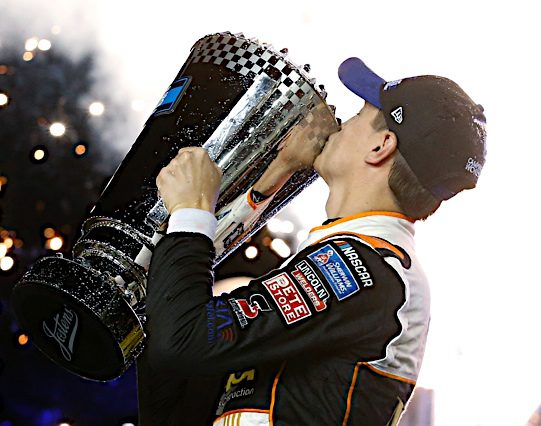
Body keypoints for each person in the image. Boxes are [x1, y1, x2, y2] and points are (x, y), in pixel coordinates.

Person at [136, 57, 487, 425]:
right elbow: (175, 359)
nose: (340, 124)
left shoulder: (363, 268)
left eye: (357, 116)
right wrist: (278, 170)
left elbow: (184, 339)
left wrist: (192, 214)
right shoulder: (367, 264)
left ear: (380, 146)